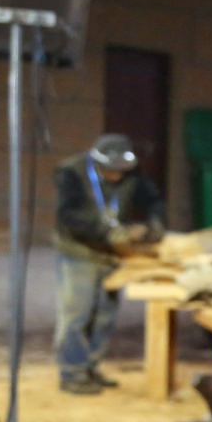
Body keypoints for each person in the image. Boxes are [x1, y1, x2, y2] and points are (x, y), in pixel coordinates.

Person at [51, 133, 163, 394]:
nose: (118, 177)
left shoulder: (131, 171)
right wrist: (107, 232)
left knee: (104, 315)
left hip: (112, 254)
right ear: (97, 163)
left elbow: (153, 199)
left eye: (122, 171)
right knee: (76, 315)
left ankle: (91, 366)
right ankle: (72, 373)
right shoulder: (71, 173)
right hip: (79, 251)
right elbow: (69, 216)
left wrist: (155, 224)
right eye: (112, 172)